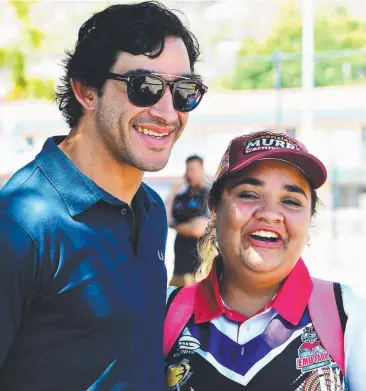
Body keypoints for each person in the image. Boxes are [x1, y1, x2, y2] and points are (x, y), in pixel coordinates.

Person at [0, 2, 207, 390]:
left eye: (184, 91)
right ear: (86, 91)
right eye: (144, 87)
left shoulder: (150, 212)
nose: (167, 112)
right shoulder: (21, 225)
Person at [164, 130, 366, 390]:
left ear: (309, 221)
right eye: (249, 194)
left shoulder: (346, 314)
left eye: (291, 201)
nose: (270, 214)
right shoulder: (164, 313)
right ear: (214, 210)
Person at [165, 155, 210, 287]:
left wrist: (175, 225)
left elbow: (198, 229)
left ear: (202, 170)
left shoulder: (208, 196)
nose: (190, 174)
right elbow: (164, 218)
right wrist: (172, 192)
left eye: (194, 170)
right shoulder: (180, 197)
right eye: (188, 170)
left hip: (200, 270)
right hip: (179, 268)